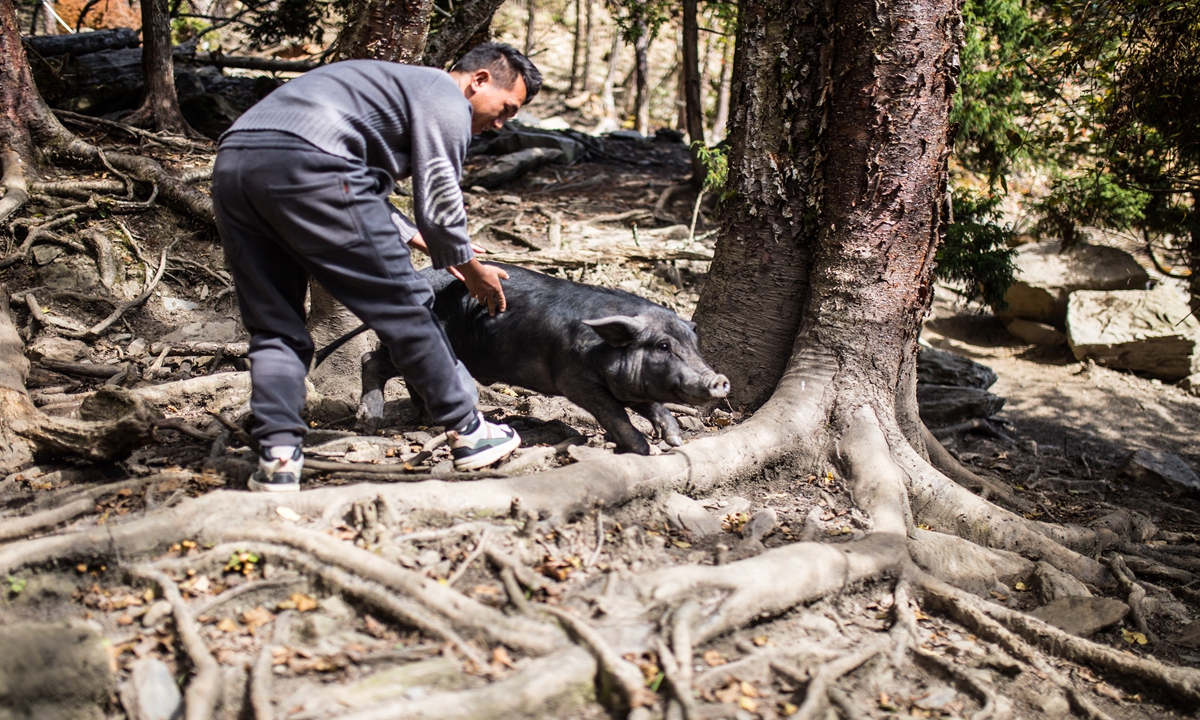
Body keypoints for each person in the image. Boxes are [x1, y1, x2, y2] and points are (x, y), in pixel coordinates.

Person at [211, 43, 542, 492]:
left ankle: (278, 455)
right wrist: (470, 267)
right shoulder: (444, 95)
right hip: (316, 163)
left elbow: (350, 178)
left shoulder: (395, 86)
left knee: (274, 325)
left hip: (236, 162)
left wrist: (417, 238)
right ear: (479, 80)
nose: (500, 124)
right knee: (406, 305)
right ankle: (468, 430)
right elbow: (441, 205)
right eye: (506, 109)